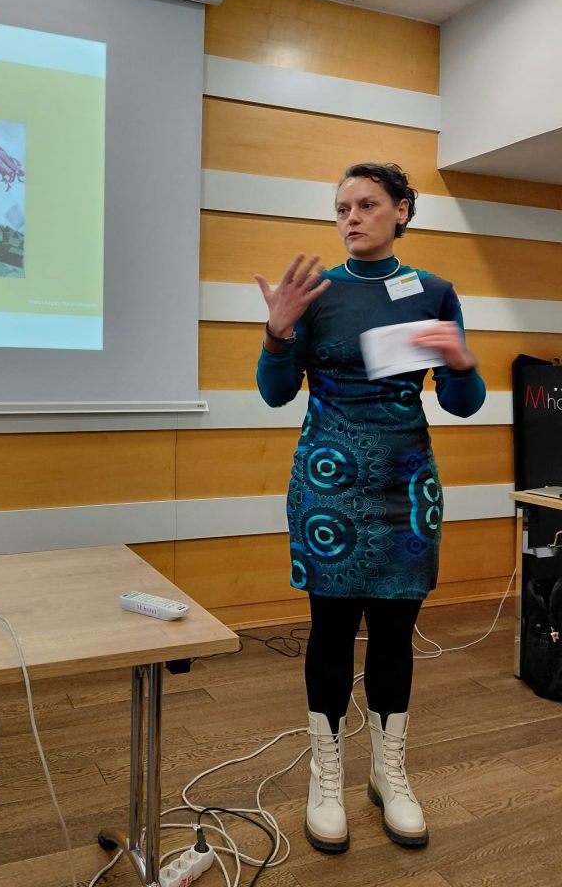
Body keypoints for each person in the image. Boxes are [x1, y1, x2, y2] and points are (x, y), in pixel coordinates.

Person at [255, 162, 485, 854]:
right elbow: (274, 392)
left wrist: (462, 363)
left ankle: (389, 773)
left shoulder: (435, 293)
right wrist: (277, 336)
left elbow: (462, 403)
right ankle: (325, 779)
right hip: (328, 485)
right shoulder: (316, 294)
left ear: (402, 210)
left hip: (405, 487)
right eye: (342, 208)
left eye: (366, 204)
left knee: (393, 634)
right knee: (329, 632)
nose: (351, 217)